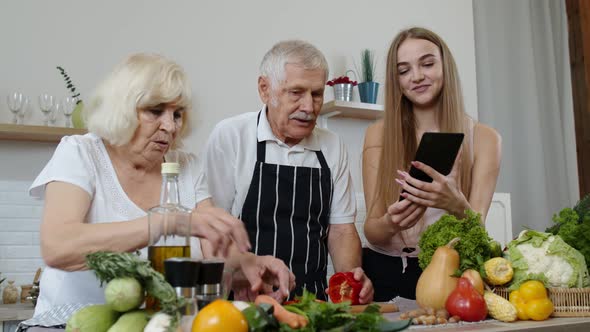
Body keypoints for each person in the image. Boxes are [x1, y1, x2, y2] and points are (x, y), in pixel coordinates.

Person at [28, 53, 277, 315]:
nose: (170, 126)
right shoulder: (80, 153)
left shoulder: (186, 166)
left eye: (177, 114)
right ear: (121, 109)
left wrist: (249, 263)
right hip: (70, 324)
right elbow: (58, 246)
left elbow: (213, 249)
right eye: (155, 111)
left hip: (165, 323)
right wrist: (167, 222)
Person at [200, 40, 374, 303]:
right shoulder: (231, 136)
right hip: (244, 303)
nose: (309, 107)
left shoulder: (332, 146)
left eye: (316, 94)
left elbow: (341, 230)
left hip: (311, 304)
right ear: (264, 89)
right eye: (296, 92)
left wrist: (351, 281)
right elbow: (212, 230)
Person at [362, 27, 502, 301]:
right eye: (404, 70)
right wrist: (392, 222)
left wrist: (456, 204)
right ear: (396, 80)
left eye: (427, 64)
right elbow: (372, 232)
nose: (416, 76)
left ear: (445, 66)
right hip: (384, 274)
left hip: (448, 275)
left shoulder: (485, 139)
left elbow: (478, 234)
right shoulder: (378, 134)